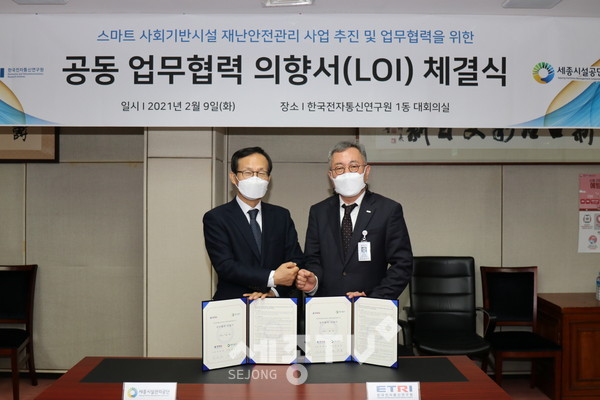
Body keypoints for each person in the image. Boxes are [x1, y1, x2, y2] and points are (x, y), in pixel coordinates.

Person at [296, 141, 413, 299]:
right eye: (339, 168)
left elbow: (402, 265)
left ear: (366, 171)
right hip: (328, 306)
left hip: (370, 305)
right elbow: (312, 259)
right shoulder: (319, 212)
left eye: (353, 166)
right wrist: (314, 282)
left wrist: (373, 297)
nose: (347, 173)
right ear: (331, 175)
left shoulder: (388, 210)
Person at [203, 146, 303, 300]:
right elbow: (225, 265)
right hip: (234, 303)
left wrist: (273, 292)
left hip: (275, 304)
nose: (255, 178)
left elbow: (296, 260)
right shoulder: (216, 218)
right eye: (248, 172)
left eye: (261, 173)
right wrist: (272, 277)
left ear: (268, 178)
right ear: (233, 177)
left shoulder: (281, 216)